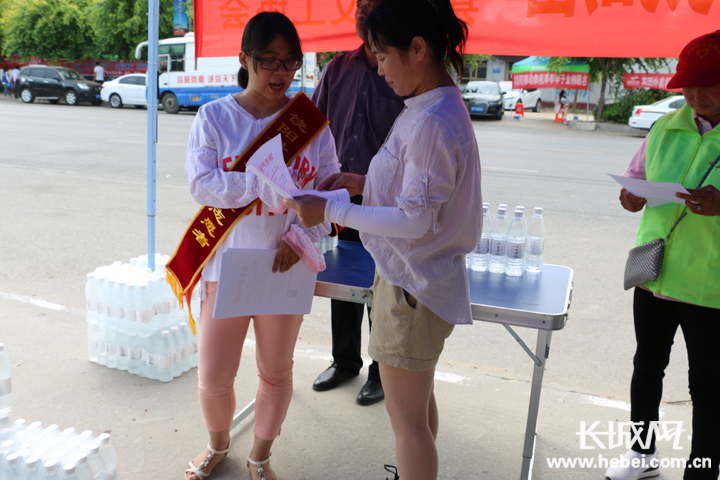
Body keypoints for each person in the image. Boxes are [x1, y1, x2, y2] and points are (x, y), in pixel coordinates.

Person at [285, 0, 482, 478]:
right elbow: (409, 187)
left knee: (406, 422)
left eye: (383, 54)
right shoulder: (430, 104)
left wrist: (331, 208)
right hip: (415, 281)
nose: (378, 67)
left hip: (413, 288)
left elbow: (415, 220)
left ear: (417, 48)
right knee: (417, 408)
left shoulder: (433, 118)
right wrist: (357, 182)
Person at [182, 12, 340, 480]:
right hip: (226, 267)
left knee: (275, 372)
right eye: (269, 60)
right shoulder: (214, 117)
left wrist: (303, 234)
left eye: (290, 62)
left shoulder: (310, 125)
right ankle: (217, 446)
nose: (280, 73)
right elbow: (202, 185)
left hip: (285, 265)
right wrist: (262, 180)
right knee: (213, 375)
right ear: (244, 59)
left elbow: (331, 192)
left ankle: (260, 457)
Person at [606, 30, 720, 480]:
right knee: (646, 366)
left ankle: (704, 468)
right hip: (654, 271)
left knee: (708, 385)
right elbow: (635, 181)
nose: (696, 95)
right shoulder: (664, 127)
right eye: (689, 85)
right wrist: (630, 197)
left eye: (709, 84)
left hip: (710, 285)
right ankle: (642, 454)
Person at [309, 0, 405, 406]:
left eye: (373, 5)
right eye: (360, 5)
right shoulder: (337, 68)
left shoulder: (401, 71)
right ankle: (344, 360)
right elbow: (311, 124)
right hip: (338, 197)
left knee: (381, 285)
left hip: (384, 202)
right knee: (343, 280)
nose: (363, 11)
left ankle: (380, 371)